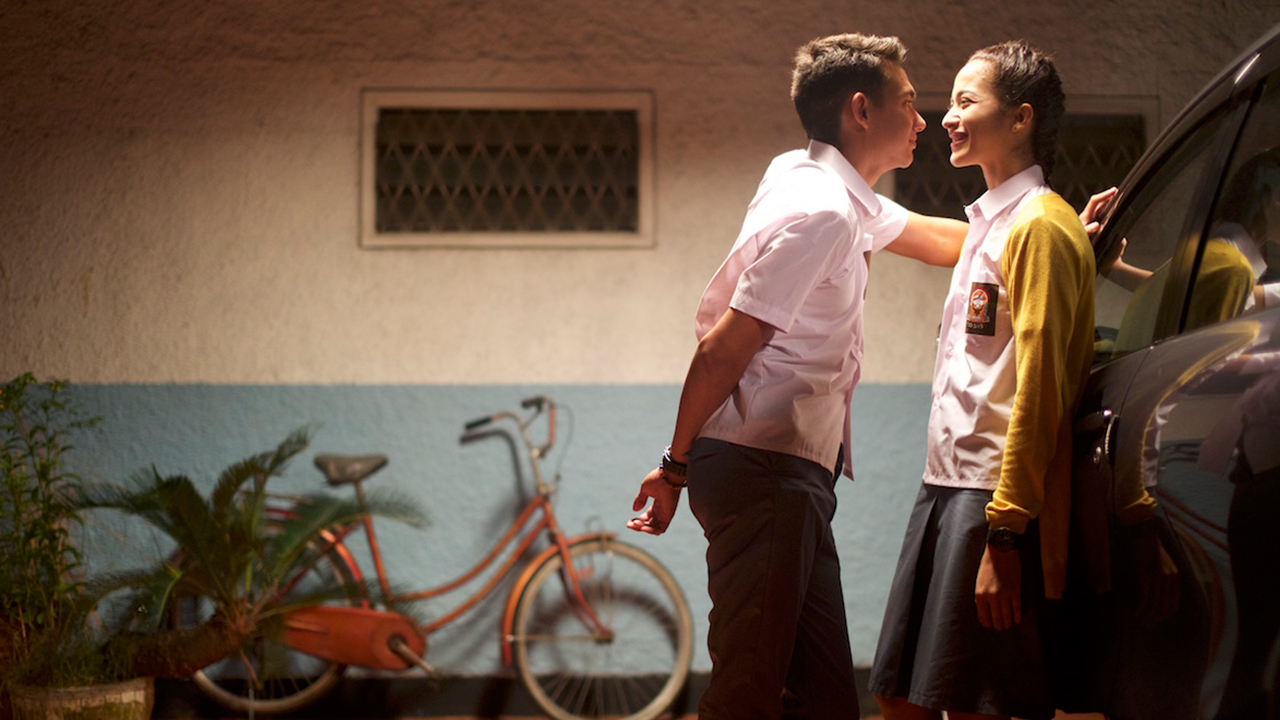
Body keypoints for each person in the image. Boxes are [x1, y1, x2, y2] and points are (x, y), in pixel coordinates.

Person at [626, 33, 967, 720]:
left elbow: (940, 240)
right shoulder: (825, 212)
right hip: (764, 470)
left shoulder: (812, 179)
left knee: (823, 701)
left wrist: (1049, 231)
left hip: (787, 475)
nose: (923, 119)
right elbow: (724, 347)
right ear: (861, 110)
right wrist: (672, 465)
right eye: (909, 103)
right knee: (747, 694)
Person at [868, 41, 1096, 720]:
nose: (947, 116)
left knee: (975, 705)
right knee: (899, 695)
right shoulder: (993, 224)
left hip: (993, 494)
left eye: (966, 101)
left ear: (1021, 118)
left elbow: (1040, 389)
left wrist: (1005, 532)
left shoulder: (1040, 227)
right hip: (945, 483)